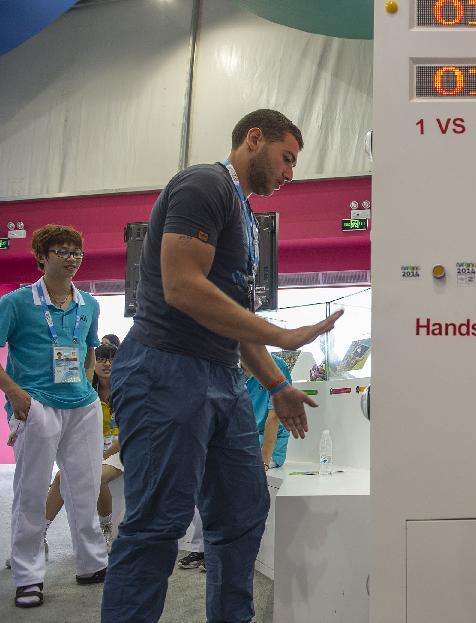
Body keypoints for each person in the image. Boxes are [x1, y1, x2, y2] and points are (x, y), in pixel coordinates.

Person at [101, 109, 342, 623]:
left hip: (220, 376)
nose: (290, 173)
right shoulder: (204, 184)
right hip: (164, 368)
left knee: (242, 512)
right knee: (156, 527)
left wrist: (277, 383)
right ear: (254, 139)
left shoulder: (246, 218)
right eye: (287, 158)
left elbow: (233, 320)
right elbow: (182, 286)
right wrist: (282, 335)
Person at [0, 225, 108, 608]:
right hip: (36, 403)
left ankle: (92, 563)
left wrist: (91, 384)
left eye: (76, 251)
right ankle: (28, 576)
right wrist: (14, 392)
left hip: (81, 404)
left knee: (85, 487)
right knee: (31, 491)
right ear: (42, 257)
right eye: (62, 250)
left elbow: (91, 348)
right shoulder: (15, 302)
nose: (71, 257)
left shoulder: (89, 304)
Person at [176, 353, 294, 573]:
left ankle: (218, 550)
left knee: (229, 479)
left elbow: (274, 417)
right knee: (202, 475)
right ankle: (203, 547)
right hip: (237, 435)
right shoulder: (228, 366)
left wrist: (264, 463)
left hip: (265, 441)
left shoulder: (274, 367)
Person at [44, 343, 125, 549]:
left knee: (96, 477)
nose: (107, 364)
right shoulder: (88, 391)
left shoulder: (127, 389)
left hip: (122, 449)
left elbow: (128, 433)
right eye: (101, 359)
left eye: (112, 359)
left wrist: (102, 454)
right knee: (62, 476)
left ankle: (105, 528)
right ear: (92, 363)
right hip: (93, 446)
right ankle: (39, 532)